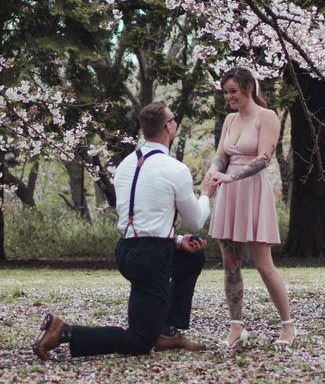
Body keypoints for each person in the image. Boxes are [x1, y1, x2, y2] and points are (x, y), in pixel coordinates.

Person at [33, 101, 215, 360]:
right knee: (140, 341)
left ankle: (168, 331)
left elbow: (141, 219)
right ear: (168, 126)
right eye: (174, 118)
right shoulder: (175, 169)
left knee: (191, 257)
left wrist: (177, 241)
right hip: (152, 259)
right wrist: (206, 194)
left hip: (127, 252)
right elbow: (196, 221)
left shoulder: (126, 165)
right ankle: (64, 332)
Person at [207, 66, 296, 348]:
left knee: (262, 263)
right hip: (229, 194)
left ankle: (288, 326)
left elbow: (263, 159)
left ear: (248, 88)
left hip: (252, 191)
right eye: (225, 93)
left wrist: (232, 176)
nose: (229, 97)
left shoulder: (266, 117)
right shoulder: (230, 120)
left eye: (233, 91)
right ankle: (236, 328)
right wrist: (211, 175)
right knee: (230, 265)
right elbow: (221, 155)